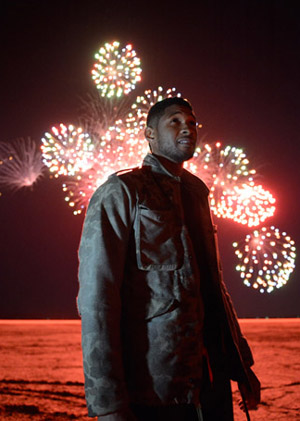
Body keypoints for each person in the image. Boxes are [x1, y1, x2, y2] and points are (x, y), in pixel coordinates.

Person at [77, 97, 261, 421]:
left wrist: (241, 369)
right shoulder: (122, 191)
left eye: (192, 122)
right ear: (149, 133)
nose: (187, 128)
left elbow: (214, 290)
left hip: (212, 384)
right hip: (156, 392)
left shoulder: (198, 193)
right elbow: (98, 297)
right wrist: (107, 404)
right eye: (174, 121)